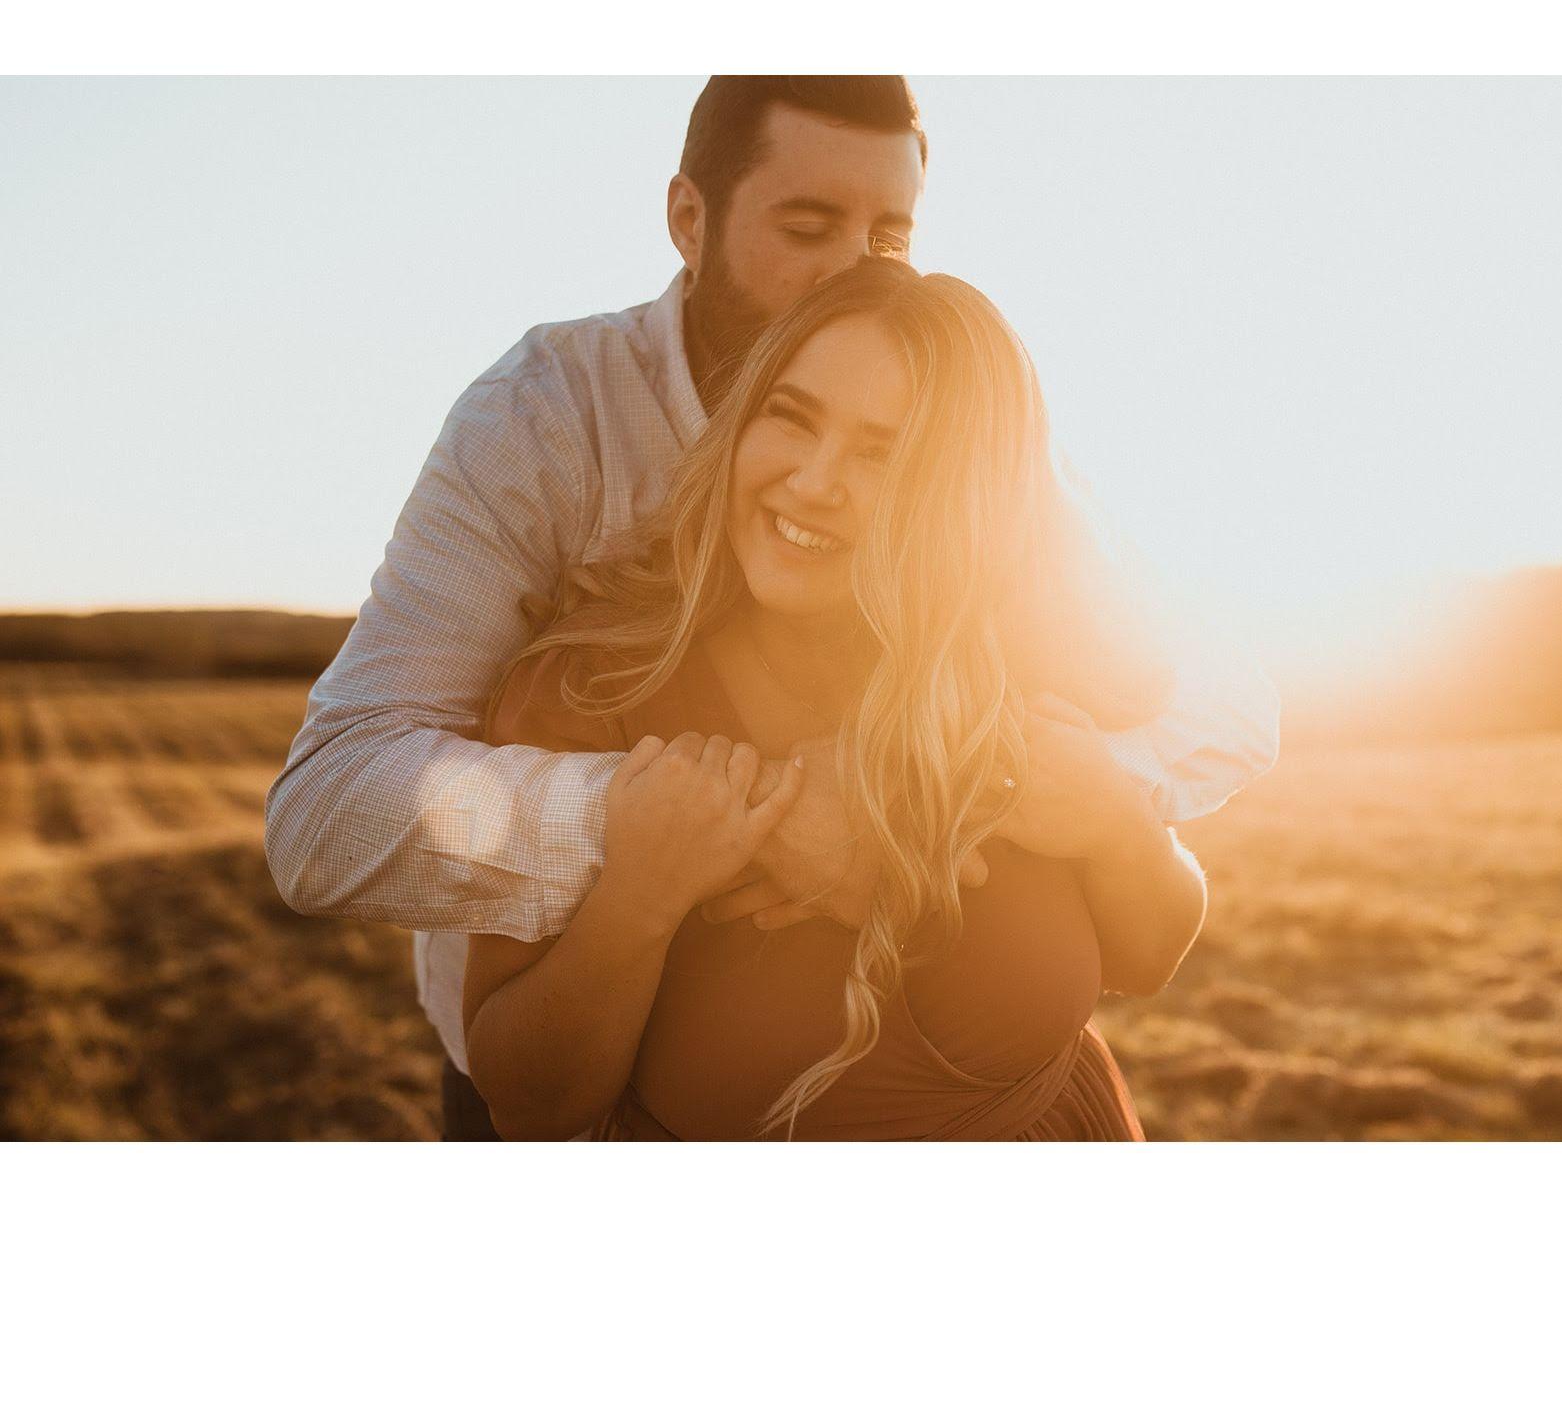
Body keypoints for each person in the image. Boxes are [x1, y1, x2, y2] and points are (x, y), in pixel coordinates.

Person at [264, 76, 1278, 1140]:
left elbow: (1224, 708)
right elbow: (328, 815)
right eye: (807, 227)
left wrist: (952, 792)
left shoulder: (974, 479)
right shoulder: (545, 417)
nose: (853, 275)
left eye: (886, 238)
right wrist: (740, 817)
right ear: (688, 220)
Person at [465, 258, 1206, 1140]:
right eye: (791, 417)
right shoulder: (593, 693)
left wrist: (1115, 822)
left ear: (965, 495)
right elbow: (531, 1109)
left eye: (882, 454)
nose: (813, 482)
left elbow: (1148, 955)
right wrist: (639, 900)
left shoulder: (1019, 659)